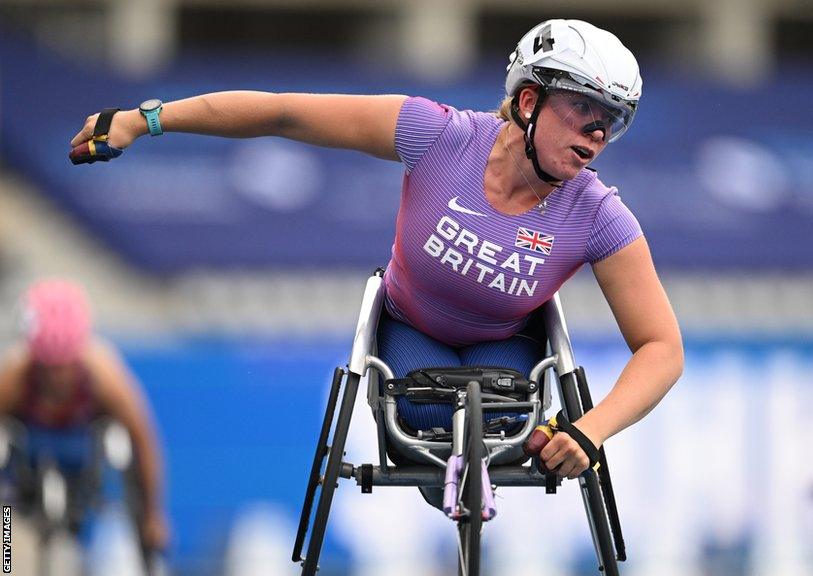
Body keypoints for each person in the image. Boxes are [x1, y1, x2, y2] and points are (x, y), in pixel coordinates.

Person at [69, 19, 683, 483]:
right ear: (528, 101)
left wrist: (590, 430)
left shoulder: (601, 214)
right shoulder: (437, 133)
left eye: (612, 122)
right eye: (583, 111)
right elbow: (284, 114)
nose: (597, 136)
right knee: (433, 417)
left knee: (495, 423)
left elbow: (662, 348)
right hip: (411, 330)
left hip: (507, 348)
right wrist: (144, 120)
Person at [0, 279, 170, 561]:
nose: (56, 378)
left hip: (83, 448)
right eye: (48, 367)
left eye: (64, 366)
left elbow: (144, 440)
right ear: (34, 356)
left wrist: (152, 515)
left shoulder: (105, 375)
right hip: (28, 451)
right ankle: (5, 558)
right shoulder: (13, 377)